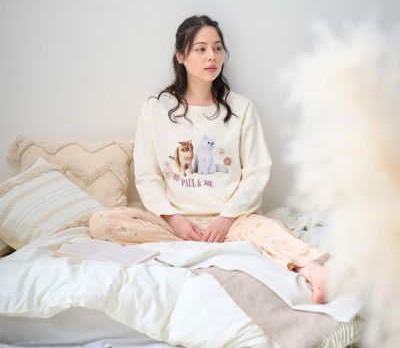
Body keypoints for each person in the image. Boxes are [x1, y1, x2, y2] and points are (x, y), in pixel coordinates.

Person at [89, 15, 329, 304]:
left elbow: (256, 171)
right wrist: (174, 219)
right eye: (200, 49)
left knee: (270, 230)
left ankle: (316, 272)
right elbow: (146, 174)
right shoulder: (156, 109)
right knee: (102, 222)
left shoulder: (241, 108)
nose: (212, 56)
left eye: (217, 48)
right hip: (174, 223)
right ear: (180, 56)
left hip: (232, 220)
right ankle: (201, 245)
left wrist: (225, 220)